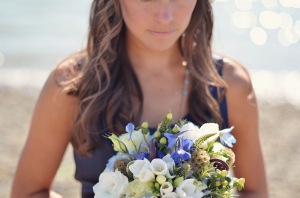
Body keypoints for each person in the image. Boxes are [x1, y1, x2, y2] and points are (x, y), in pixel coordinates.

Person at [11, 0, 268, 197]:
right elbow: (27, 192)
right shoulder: (72, 84)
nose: (165, 16)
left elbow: (254, 191)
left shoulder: (229, 85)